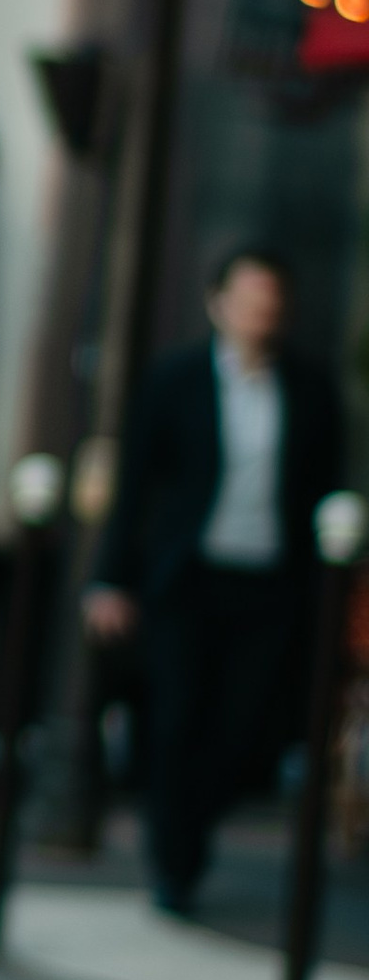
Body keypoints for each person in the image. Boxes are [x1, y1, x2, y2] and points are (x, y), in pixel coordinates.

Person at [84, 243, 344, 919]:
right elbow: (135, 487)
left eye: (273, 301)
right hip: (187, 582)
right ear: (218, 303)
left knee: (241, 732)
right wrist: (110, 579)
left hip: (266, 587)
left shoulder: (313, 391)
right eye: (251, 298)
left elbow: (327, 494)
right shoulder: (175, 381)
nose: (263, 313)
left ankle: (187, 830)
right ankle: (174, 862)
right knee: (176, 721)